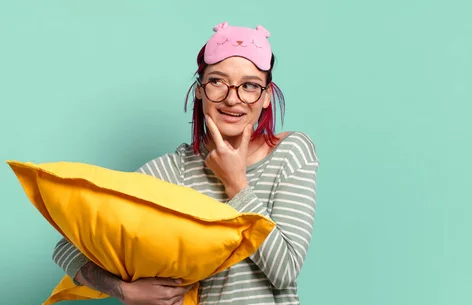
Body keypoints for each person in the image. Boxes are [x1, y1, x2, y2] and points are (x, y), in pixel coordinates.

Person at [52, 21, 319, 305]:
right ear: (200, 90)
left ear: (265, 96)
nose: (232, 99)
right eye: (217, 81)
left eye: (250, 86)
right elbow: (67, 249)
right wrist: (126, 291)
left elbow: (284, 271)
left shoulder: (291, 153)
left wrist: (236, 184)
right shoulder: (171, 171)